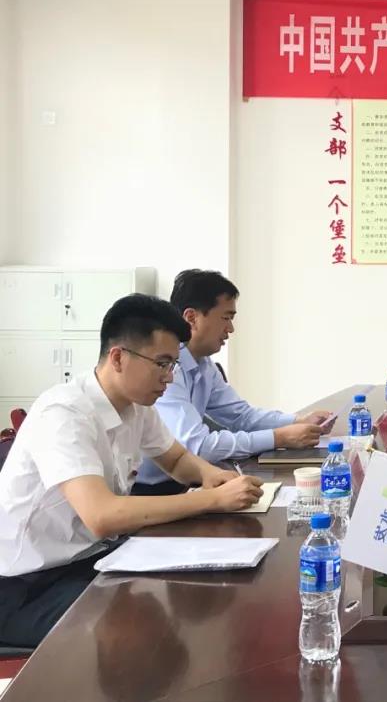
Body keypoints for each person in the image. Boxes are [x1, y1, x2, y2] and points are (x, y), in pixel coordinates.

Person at [0, 294, 264, 648]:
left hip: (89, 559)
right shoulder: (64, 413)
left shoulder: (137, 407)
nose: (169, 377)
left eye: (173, 365)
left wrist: (208, 476)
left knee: (190, 586)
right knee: (139, 627)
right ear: (118, 357)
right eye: (162, 364)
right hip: (26, 587)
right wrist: (212, 500)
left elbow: (176, 460)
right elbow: (102, 516)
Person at [135, 270, 331, 494]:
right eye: (226, 318)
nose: (230, 329)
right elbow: (199, 446)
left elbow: (241, 416)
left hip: (188, 480)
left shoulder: (204, 364)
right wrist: (278, 438)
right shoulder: (167, 369)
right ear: (191, 318)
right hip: (151, 491)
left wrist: (297, 420)